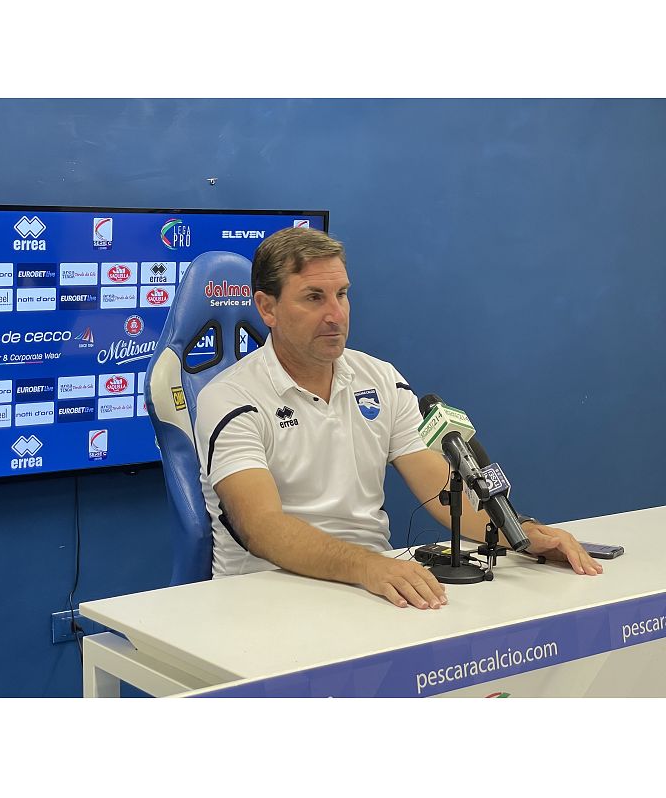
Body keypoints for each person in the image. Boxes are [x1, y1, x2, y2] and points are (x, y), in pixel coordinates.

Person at [194, 227, 602, 610]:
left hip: (367, 587)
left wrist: (519, 534)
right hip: (265, 597)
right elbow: (262, 528)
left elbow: (440, 490)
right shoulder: (229, 397)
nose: (336, 314)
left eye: (342, 294)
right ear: (267, 307)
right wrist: (367, 565)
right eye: (314, 298)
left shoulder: (381, 379)